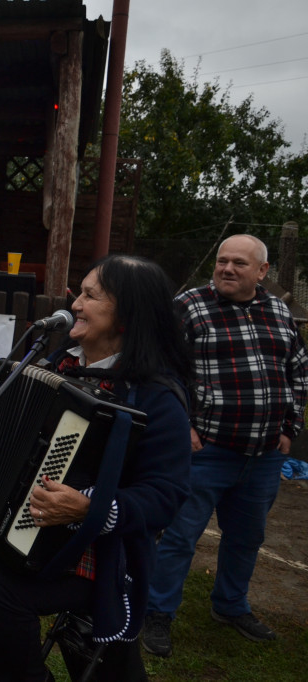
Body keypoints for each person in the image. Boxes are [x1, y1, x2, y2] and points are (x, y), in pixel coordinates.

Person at [0, 255, 192, 682]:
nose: (75, 304)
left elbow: (165, 497)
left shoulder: (156, 397)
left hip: (97, 551)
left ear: (126, 316)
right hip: (19, 531)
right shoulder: (57, 365)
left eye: (91, 296)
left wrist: (88, 507)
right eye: (79, 292)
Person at [141, 234, 308, 657]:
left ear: (262, 271)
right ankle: (157, 613)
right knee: (180, 535)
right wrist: (183, 427)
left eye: (239, 263)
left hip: (266, 455)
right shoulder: (190, 307)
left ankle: (231, 606)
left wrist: (290, 427)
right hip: (206, 450)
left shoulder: (279, 312)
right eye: (222, 261)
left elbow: (299, 371)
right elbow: (161, 370)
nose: (228, 269)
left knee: (246, 536)